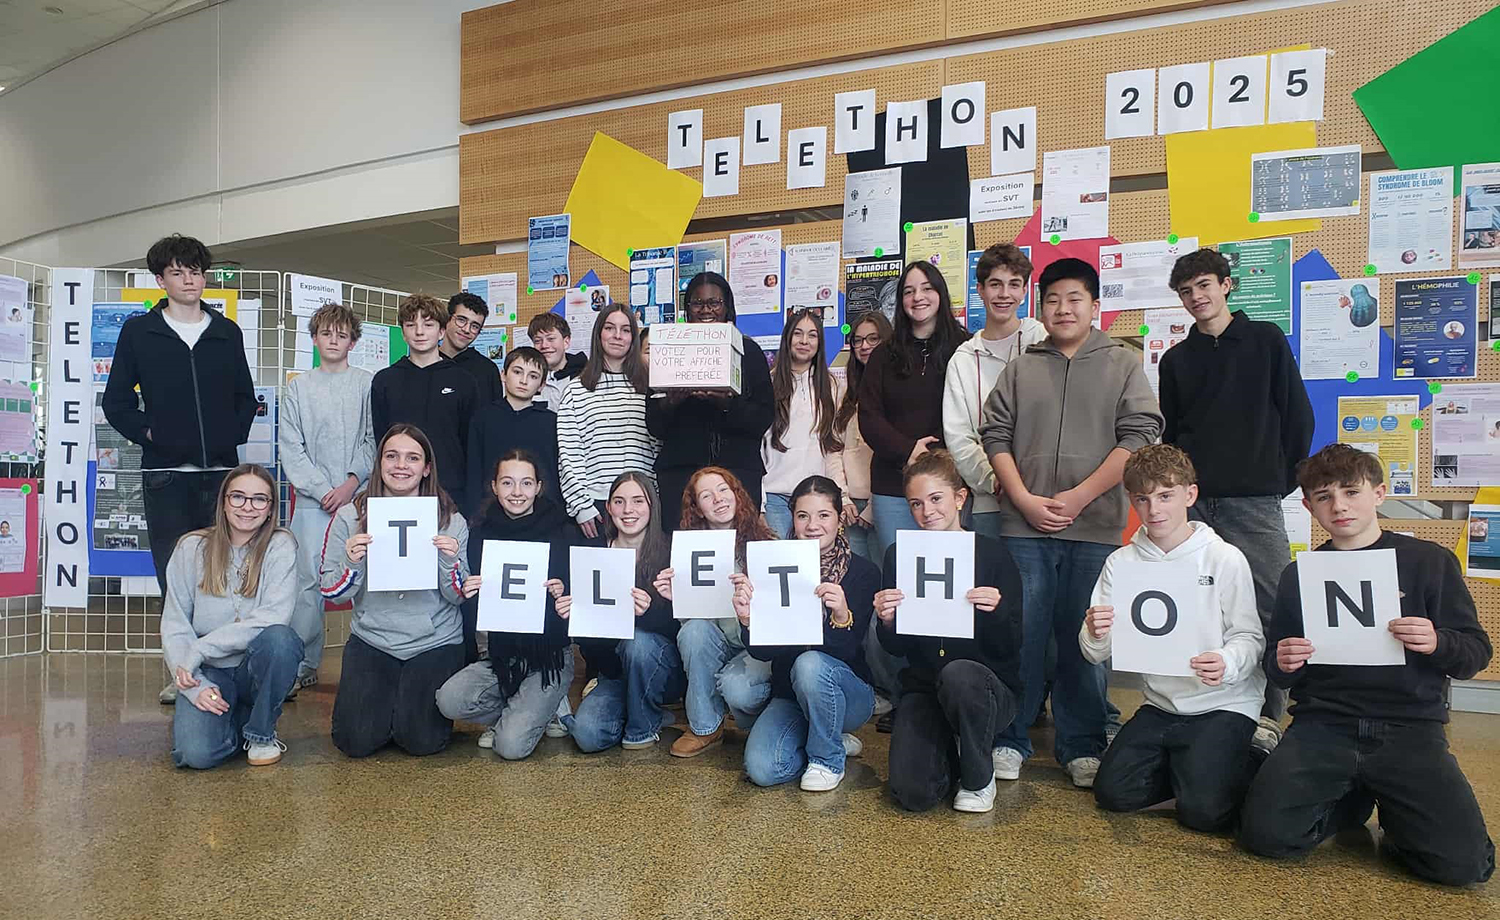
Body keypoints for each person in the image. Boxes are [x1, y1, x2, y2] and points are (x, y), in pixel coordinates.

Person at [1239, 444, 1494, 886]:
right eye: (1324, 497)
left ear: (1378, 494)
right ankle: (1350, 800)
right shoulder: (1300, 574)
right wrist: (1283, 660)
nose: (1339, 506)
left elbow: (1475, 653)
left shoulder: (1429, 562)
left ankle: (1396, 818)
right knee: (1266, 838)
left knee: (1463, 867)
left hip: (1409, 727)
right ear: (1309, 507)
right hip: (1324, 724)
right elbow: (1278, 668)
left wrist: (1437, 641)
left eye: (1351, 492)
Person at [980, 257, 1163, 789]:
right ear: (1041, 308)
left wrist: (1081, 497)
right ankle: (1010, 737)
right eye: (1053, 299)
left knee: (1086, 638)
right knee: (1021, 635)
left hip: (1096, 526)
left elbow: (1139, 435)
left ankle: (1082, 743)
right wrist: (1022, 499)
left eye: (1074, 299)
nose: (1063, 308)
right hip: (1024, 527)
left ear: (1095, 305)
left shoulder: (1122, 364)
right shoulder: (1022, 367)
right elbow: (995, 435)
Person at [1159, 248, 1315, 747]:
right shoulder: (1177, 360)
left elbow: (1298, 417)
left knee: (1270, 605)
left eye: (1204, 285)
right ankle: (1207, 705)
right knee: (1200, 605)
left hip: (1255, 500)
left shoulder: (1266, 339)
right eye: (1186, 292)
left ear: (1226, 285)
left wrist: (1276, 481)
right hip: (1195, 505)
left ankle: (1268, 716)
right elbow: (1172, 435)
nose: (1196, 298)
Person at [101, 234, 257, 705]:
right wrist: (152, 435)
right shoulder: (140, 333)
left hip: (222, 475)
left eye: (195, 271)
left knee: (226, 572)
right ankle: (182, 670)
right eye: (177, 272)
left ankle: (227, 667)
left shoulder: (226, 332)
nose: (189, 280)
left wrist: (229, 436)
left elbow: (244, 397)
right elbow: (116, 402)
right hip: (166, 474)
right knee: (176, 578)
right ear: (160, 279)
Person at [1080, 444, 1266, 832]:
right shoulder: (1121, 563)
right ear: (1131, 500)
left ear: (1190, 495)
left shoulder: (1224, 558)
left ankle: (1249, 753)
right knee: (1113, 794)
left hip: (1224, 704)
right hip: (1161, 705)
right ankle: (1191, 768)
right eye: (1142, 499)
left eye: (1165, 496)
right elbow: (1094, 653)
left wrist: (1227, 661)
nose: (1154, 510)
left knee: (1204, 815)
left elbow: (1249, 636)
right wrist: (1095, 632)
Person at [874, 450, 1023, 813]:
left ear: (959, 498)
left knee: (959, 675)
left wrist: (997, 612)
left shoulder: (992, 555)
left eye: (936, 499)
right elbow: (895, 648)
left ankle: (978, 777)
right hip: (924, 686)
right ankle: (950, 752)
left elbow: (1012, 647)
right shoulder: (899, 555)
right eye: (916, 503)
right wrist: (888, 620)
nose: (927, 511)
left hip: (984, 689)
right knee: (913, 794)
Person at [323, 425, 468, 757]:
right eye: (392, 456)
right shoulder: (349, 516)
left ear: (426, 468)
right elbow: (332, 592)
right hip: (373, 637)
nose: (401, 465)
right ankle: (388, 709)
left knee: (421, 742)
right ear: (379, 463)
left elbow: (458, 596)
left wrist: (449, 562)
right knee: (354, 742)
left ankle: (400, 712)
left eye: (412, 458)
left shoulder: (450, 519)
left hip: (435, 640)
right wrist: (352, 562)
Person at [736, 475, 880, 791]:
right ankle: (826, 735)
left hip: (848, 694)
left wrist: (841, 616)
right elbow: (763, 653)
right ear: (793, 519)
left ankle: (827, 759)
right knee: (763, 769)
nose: (813, 525)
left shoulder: (863, 572)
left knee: (810, 663)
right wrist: (748, 621)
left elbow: (847, 650)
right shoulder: (774, 566)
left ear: (839, 518)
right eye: (803, 516)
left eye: (823, 515)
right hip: (790, 692)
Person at [436, 450, 578, 759]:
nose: (517, 492)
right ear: (494, 486)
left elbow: (582, 598)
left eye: (526, 483)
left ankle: (544, 706)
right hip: (502, 655)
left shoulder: (564, 531)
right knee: (448, 700)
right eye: (507, 482)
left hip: (549, 657)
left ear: (538, 487)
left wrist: (565, 591)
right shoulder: (479, 533)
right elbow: (473, 597)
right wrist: (469, 589)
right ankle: (531, 711)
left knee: (510, 747)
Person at [161, 464, 301, 769]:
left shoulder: (281, 545)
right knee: (196, 755)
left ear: (270, 508)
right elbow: (175, 624)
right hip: (210, 672)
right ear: (223, 502)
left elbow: (273, 618)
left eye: (259, 499)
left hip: (253, 667)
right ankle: (239, 721)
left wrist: (200, 648)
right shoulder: (190, 548)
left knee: (282, 640)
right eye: (238, 497)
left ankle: (261, 732)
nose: (247, 507)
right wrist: (195, 685)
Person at [278, 302, 375, 693]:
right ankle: (303, 662)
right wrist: (322, 490)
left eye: (342, 334)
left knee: (365, 578)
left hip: (359, 499)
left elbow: (372, 439)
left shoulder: (367, 384)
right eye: (326, 334)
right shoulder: (298, 388)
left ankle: (369, 662)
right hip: (312, 503)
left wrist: (350, 484)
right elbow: (291, 447)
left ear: (353, 341)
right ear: (315, 339)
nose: (334, 340)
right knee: (306, 584)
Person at [653, 466, 775, 757]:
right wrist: (678, 599)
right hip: (716, 640)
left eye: (723, 490)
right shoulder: (688, 550)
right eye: (707, 496)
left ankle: (763, 720)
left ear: (737, 494)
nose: (718, 499)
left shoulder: (766, 542)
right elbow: (692, 629)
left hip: (754, 645)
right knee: (693, 630)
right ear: (697, 508)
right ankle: (705, 726)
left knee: (738, 689)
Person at [858, 261, 969, 563]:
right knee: (898, 571)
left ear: (940, 294)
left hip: (949, 483)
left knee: (951, 572)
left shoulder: (965, 348)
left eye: (926, 288)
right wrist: (908, 450)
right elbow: (869, 417)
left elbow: (972, 413)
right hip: (892, 486)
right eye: (909, 291)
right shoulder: (883, 354)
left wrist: (935, 457)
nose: (917, 297)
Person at [648, 272, 774, 532]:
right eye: (697, 303)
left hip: (738, 473)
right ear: (687, 309)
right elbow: (654, 426)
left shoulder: (749, 352)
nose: (706, 310)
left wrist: (727, 405)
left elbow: (763, 418)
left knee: (740, 545)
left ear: (727, 306)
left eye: (714, 302)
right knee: (683, 548)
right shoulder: (670, 350)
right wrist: (671, 402)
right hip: (680, 476)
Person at [569, 472, 684, 752]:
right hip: (614, 671)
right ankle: (642, 710)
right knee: (587, 737)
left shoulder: (673, 551)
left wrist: (647, 614)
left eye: (637, 501)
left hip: (663, 671)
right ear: (608, 508)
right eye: (619, 502)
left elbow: (684, 629)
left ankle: (641, 729)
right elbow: (588, 646)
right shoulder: (594, 553)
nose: (628, 510)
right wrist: (577, 618)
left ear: (652, 506)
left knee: (640, 643)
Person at [943, 244, 1046, 539]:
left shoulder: (1043, 339)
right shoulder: (963, 359)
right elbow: (958, 437)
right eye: (995, 284)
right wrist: (996, 481)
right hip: (991, 501)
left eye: (1014, 284)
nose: (1004, 294)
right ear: (980, 290)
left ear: (1025, 291)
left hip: (1045, 492)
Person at [556, 303, 659, 539]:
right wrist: (581, 506)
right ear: (598, 334)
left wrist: (654, 498)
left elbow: (657, 448)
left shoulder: (650, 387)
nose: (617, 336)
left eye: (625, 330)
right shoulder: (576, 389)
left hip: (642, 503)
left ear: (633, 338)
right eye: (610, 328)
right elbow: (569, 453)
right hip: (595, 506)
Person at [370, 294, 477, 512]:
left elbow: (471, 443)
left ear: (441, 331)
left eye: (428, 325)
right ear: (403, 332)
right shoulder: (385, 381)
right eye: (411, 325)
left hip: (451, 491)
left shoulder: (464, 381)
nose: (419, 332)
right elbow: (380, 440)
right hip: (398, 490)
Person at [760, 309, 852, 537]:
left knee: (814, 559)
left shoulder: (832, 386)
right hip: (774, 496)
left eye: (812, 335)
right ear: (787, 338)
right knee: (781, 557)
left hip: (815, 497)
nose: (804, 341)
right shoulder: (768, 383)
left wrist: (842, 494)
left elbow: (833, 447)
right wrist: (759, 503)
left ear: (819, 343)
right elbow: (757, 447)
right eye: (798, 333)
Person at [467, 345, 559, 516]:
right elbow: (474, 471)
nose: (524, 381)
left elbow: (555, 473)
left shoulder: (552, 422)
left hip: (544, 515)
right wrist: (474, 513)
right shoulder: (483, 418)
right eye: (517, 372)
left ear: (541, 385)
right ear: (503, 374)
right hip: (490, 513)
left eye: (533, 376)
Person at [832, 311, 891, 561]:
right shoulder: (844, 393)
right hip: (850, 508)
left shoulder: (897, 388)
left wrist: (874, 505)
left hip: (885, 502)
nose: (864, 346)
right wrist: (842, 497)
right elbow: (833, 449)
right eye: (857, 340)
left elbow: (898, 451)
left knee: (887, 576)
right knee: (855, 577)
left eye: (872, 339)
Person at [442, 291, 504, 406]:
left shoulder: (487, 370)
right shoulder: (427, 363)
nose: (466, 329)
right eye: (461, 320)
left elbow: (495, 414)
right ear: (447, 319)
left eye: (475, 326)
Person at [529, 312, 586, 410]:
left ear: (566, 342)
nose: (544, 345)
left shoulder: (586, 377)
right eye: (537, 341)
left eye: (551, 339)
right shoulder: (527, 380)